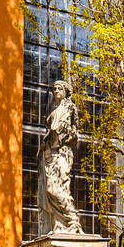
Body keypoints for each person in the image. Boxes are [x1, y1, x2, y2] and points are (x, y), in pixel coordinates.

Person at [38, 79, 84, 235]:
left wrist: (54, 136)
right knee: (51, 189)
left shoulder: (70, 107)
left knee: (56, 189)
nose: (56, 91)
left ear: (65, 91)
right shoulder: (54, 111)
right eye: (54, 89)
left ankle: (72, 221)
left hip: (62, 152)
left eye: (59, 88)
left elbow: (71, 132)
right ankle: (58, 224)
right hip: (49, 154)